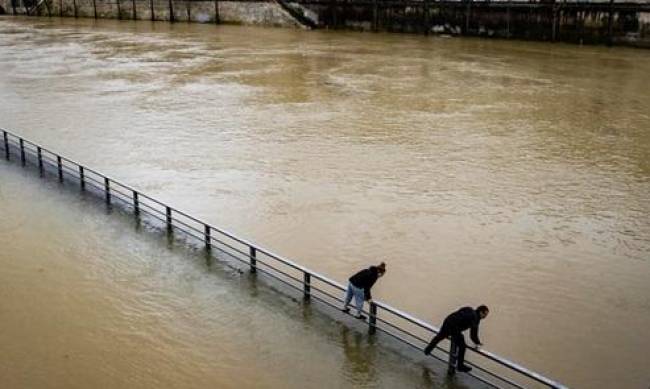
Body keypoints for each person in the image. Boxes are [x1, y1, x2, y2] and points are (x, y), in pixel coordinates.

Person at [423, 305, 489, 373]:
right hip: (454, 328)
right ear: (481, 312)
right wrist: (478, 343)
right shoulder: (475, 318)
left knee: (440, 336)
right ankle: (460, 366)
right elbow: (473, 335)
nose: (485, 317)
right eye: (485, 314)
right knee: (462, 346)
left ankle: (427, 350)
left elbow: (459, 311)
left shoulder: (469, 309)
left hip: (448, 320)